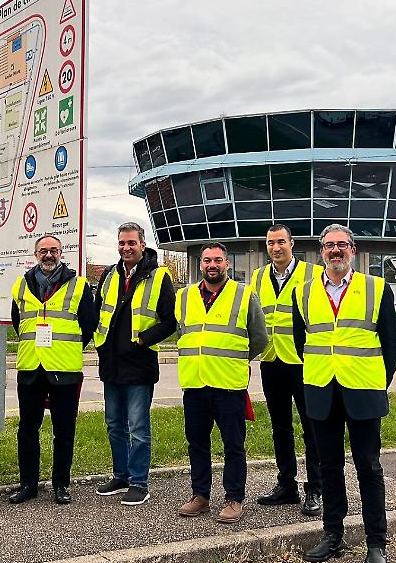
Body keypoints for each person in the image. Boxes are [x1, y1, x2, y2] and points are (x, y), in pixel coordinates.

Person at [293, 223, 396, 563]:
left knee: (368, 467)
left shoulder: (376, 288)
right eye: (328, 246)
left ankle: (376, 542)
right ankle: (333, 535)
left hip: (364, 390)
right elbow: (300, 342)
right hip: (322, 389)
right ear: (320, 252)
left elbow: (391, 344)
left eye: (341, 245)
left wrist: (377, 383)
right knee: (328, 467)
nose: (335, 250)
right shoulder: (304, 293)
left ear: (353, 249)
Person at [175, 243, 268, 523]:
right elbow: (183, 332)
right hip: (195, 383)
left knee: (233, 445)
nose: (211, 265)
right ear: (200, 264)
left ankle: (234, 498)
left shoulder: (244, 294)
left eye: (217, 260)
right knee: (197, 444)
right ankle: (200, 496)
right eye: (206, 260)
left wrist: (237, 359)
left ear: (226, 263)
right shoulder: (185, 296)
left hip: (228, 383)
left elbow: (260, 338)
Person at [8, 234, 97, 506]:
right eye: (43, 251)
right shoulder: (21, 285)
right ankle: (28, 485)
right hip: (30, 367)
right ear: (36, 254)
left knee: (64, 430)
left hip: (64, 368)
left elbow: (89, 324)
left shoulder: (78, 285)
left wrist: (66, 348)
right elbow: (17, 321)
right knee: (27, 429)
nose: (48, 255)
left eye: (53, 250)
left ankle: (61, 484)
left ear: (61, 253)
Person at [92, 222, 177, 506]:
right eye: (122, 243)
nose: (126, 248)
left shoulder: (159, 276)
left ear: (142, 245)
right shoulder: (108, 274)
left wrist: (143, 340)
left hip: (139, 365)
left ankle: (139, 482)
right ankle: (121, 475)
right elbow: (97, 312)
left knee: (138, 428)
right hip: (111, 364)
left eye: (131, 243)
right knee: (114, 424)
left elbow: (170, 321)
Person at [251, 224, 324, 517]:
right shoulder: (258, 277)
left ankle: (315, 488)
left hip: (304, 362)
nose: (276, 247)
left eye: (281, 241)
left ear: (292, 244)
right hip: (272, 361)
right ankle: (286, 485)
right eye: (270, 243)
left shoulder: (313, 274)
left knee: (312, 427)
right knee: (280, 427)